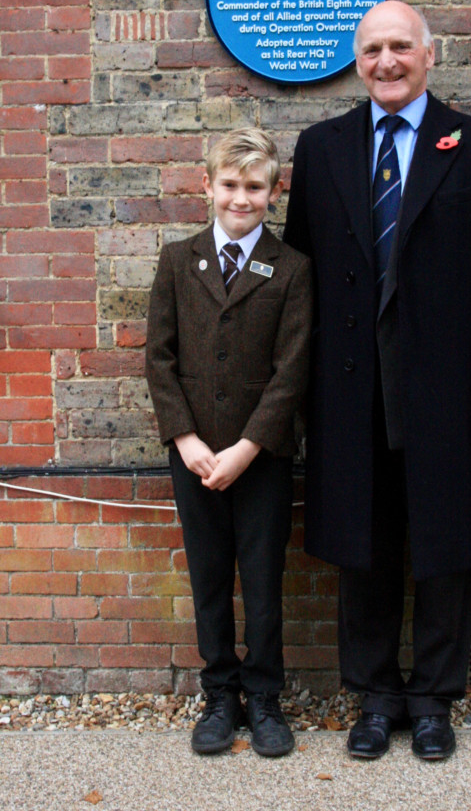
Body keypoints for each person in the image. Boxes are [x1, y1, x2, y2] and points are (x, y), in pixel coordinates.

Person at [283, 0, 471, 761]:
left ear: (430, 54)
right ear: (356, 62)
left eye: (400, 47)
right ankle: (374, 696)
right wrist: (295, 396)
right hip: (348, 389)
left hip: (452, 392)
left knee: (443, 548)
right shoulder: (322, 147)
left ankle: (432, 700)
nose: (386, 62)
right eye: (371, 51)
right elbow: (301, 279)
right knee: (360, 548)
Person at [146, 128, 312, 758]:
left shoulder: (292, 268)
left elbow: (292, 369)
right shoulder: (178, 260)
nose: (240, 198)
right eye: (229, 185)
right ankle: (220, 693)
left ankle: (265, 695)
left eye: (254, 187)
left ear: (274, 192)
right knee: (209, 575)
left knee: (264, 575)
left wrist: (248, 447)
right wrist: (185, 438)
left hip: (261, 456)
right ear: (207, 185)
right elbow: (159, 358)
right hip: (194, 455)